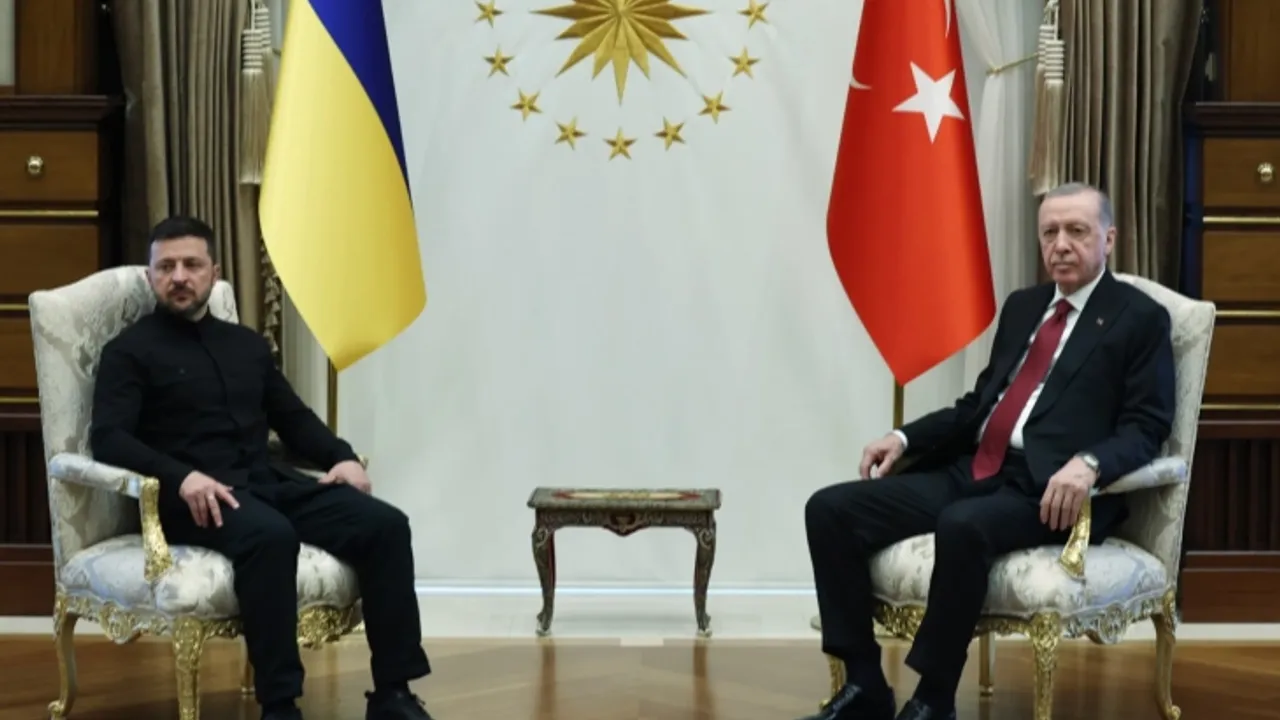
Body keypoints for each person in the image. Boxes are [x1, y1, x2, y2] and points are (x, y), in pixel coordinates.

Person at [799, 182, 1176, 720]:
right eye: (1050, 232)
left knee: (963, 524)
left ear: (1108, 239)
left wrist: (1089, 464)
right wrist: (904, 438)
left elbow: (1147, 425)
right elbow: (978, 405)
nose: (1061, 244)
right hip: (976, 468)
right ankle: (864, 684)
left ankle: (933, 699)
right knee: (830, 510)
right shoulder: (1024, 307)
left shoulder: (1139, 318)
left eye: (1077, 231)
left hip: (1049, 489)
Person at [90, 216, 435, 720]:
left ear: (214, 273)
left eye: (191, 265)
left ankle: (393, 694)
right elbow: (108, 437)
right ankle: (280, 704)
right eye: (166, 267)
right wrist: (181, 477)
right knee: (271, 536)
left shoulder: (247, 346)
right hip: (197, 500)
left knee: (386, 525)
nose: (179, 276)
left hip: (266, 482)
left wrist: (340, 456)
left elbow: (292, 418)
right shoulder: (128, 352)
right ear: (150, 277)